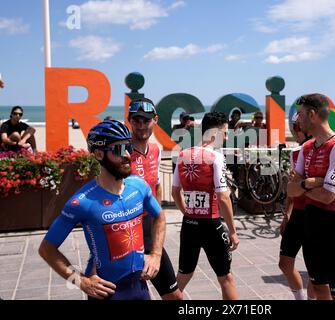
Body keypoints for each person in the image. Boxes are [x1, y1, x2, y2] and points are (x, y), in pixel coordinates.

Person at [39, 120, 164, 300]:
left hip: (140, 288)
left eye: (128, 147)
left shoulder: (139, 186)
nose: (127, 154)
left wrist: (156, 255)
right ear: (99, 154)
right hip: (107, 293)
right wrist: (81, 281)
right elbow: (47, 249)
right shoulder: (81, 202)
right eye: (119, 150)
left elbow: (159, 216)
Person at [287, 93, 335, 300]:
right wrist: (313, 181)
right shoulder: (306, 147)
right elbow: (290, 190)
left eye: (300, 114)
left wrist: (304, 184)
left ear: (313, 115)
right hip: (311, 223)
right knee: (319, 288)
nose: (297, 120)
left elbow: (328, 196)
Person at [171, 111, 240, 300]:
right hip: (211, 223)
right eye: (224, 132)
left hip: (189, 224)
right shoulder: (215, 157)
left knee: (183, 276)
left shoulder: (183, 155)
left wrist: (188, 212)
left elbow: (175, 192)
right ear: (215, 132)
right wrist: (233, 231)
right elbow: (223, 197)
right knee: (226, 278)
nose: (226, 137)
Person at [127, 98, 183, 300]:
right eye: (136, 120)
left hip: (148, 229)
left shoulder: (156, 149)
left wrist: (157, 215)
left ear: (155, 120)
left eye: (146, 120)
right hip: (125, 233)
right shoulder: (121, 152)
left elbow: (157, 184)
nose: (141, 125)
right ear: (130, 121)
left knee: (174, 296)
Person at [279, 112, 318, 300]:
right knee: (285, 263)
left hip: (314, 214)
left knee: (314, 271)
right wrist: (286, 215)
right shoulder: (297, 152)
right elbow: (291, 188)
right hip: (297, 214)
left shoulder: (321, 150)